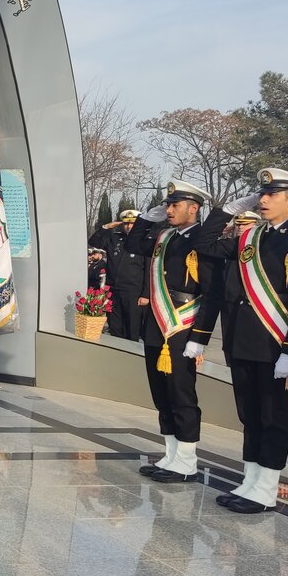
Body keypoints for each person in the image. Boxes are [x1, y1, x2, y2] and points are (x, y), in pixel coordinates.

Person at [191, 168, 288, 514]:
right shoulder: (251, 236)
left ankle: (267, 488)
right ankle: (250, 481)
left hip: (275, 344)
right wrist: (226, 211)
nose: (264, 200)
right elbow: (204, 245)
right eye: (262, 194)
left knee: (272, 416)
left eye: (272, 195)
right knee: (249, 414)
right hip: (242, 341)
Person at [125, 181, 223, 483]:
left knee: (181, 394)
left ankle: (187, 460)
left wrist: (200, 337)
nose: (168, 210)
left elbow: (212, 294)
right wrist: (145, 220)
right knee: (162, 394)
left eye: (175, 205)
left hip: (182, 325)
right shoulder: (164, 237)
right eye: (168, 204)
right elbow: (133, 245)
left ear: (193, 209)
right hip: (158, 324)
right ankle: (170, 455)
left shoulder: (203, 241)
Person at [90, 209, 147, 340]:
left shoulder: (144, 241)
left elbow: (148, 269)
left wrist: (145, 294)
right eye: (126, 223)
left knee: (132, 327)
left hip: (133, 292)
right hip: (113, 290)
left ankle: (130, 351)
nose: (129, 226)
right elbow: (94, 242)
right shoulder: (115, 239)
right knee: (115, 326)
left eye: (132, 223)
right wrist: (106, 227)